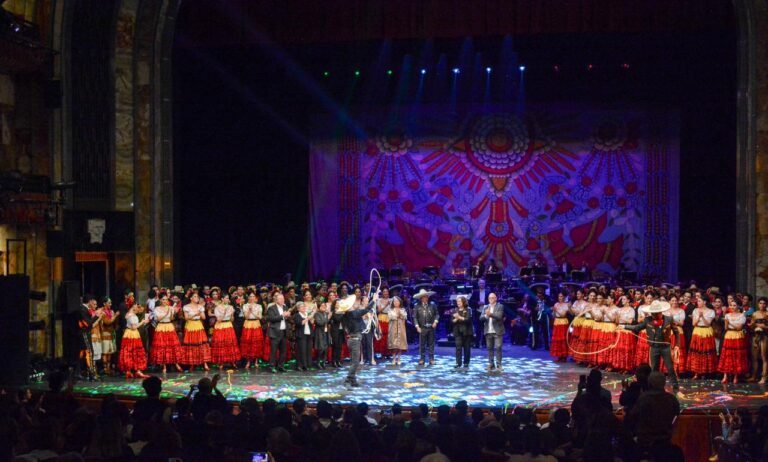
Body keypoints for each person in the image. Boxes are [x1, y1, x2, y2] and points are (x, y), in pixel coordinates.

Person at [620, 300, 681, 391]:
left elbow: (676, 332)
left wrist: (677, 345)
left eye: (656, 313)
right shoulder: (648, 320)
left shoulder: (669, 319)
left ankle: (675, 387)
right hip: (654, 347)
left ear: (660, 312)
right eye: (653, 313)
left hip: (666, 347)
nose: (654, 315)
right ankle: (653, 387)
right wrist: (624, 327)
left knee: (670, 368)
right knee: (653, 369)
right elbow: (637, 327)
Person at [625, 371, 681, 449]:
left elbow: (633, 416)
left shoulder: (644, 398)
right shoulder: (672, 399)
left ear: (649, 383)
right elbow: (676, 416)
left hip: (645, 441)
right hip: (665, 440)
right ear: (664, 383)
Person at [341, 292, 377, 387]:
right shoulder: (353, 313)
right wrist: (373, 300)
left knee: (354, 361)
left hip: (352, 339)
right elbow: (366, 309)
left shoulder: (346, 315)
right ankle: (348, 380)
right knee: (355, 362)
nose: (355, 304)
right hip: (355, 340)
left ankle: (353, 380)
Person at [149, 293, 183, 373]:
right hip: (161, 327)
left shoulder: (170, 308)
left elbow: (171, 318)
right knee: (162, 346)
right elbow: (158, 319)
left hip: (169, 326)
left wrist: (172, 312)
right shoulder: (157, 308)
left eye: (166, 299)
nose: (165, 301)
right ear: (160, 300)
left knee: (172, 346)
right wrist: (167, 312)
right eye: (163, 299)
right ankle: (163, 365)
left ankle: (176, 363)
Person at [687, 295, 717, 379]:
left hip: (706, 331)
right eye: (698, 301)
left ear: (705, 302)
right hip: (697, 331)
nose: (698, 303)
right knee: (697, 352)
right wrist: (699, 317)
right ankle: (696, 372)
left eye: (699, 301)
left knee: (706, 351)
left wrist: (702, 316)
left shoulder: (711, 311)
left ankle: (706, 372)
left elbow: (708, 323)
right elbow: (693, 323)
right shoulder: (695, 310)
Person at [718, 302, 749, 384]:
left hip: (737, 335)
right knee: (727, 354)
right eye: (731, 305)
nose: (732, 307)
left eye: (734, 305)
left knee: (736, 355)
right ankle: (725, 376)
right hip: (729, 335)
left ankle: (736, 376)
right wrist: (726, 321)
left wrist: (730, 322)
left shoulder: (741, 315)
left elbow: (739, 328)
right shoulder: (727, 315)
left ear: (738, 306)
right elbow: (726, 327)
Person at [118, 303, 150, 378]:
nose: (138, 309)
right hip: (132, 334)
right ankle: (135, 370)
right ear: (133, 307)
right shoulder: (131, 315)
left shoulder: (129, 314)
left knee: (130, 351)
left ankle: (129, 371)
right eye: (136, 307)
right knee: (135, 351)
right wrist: (142, 322)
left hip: (128, 334)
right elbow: (134, 327)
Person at [181, 293, 211, 371]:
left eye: (197, 296)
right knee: (192, 345)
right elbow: (186, 318)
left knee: (201, 344)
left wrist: (200, 312)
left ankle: (205, 363)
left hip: (198, 325)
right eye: (195, 296)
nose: (197, 298)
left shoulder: (200, 307)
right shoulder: (186, 307)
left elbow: (204, 317)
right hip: (190, 325)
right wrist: (195, 313)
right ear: (191, 298)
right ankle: (192, 363)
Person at [211, 293, 241, 369]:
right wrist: (224, 312)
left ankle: (232, 361)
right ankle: (221, 362)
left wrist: (231, 314)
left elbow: (232, 319)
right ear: (222, 299)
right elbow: (219, 319)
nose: (228, 300)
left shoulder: (231, 307)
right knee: (221, 344)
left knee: (230, 343)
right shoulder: (217, 307)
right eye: (226, 298)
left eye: (228, 298)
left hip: (228, 325)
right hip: (220, 326)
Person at [77, 294, 103, 380]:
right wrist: (96, 316)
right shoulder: (82, 309)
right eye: (92, 301)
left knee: (85, 353)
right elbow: (88, 323)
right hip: (84, 333)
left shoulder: (84, 309)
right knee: (89, 352)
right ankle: (91, 373)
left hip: (85, 333)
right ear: (89, 301)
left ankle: (87, 373)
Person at [266, 293, 291, 373]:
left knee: (283, 350)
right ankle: (271, 366)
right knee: (274, 350)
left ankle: (281, 366)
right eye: (280, 298)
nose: (282, 300)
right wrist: (282, 316)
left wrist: (288, 316)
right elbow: (271, 318)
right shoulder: (271, 308)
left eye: (283, 298)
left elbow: (287, 319)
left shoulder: (285, 307)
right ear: (276, 300)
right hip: (275, 332)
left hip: (283, 331)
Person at [480, 292, 505, 372]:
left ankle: (499, 364)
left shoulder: (500, 306)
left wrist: (490, 314)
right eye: (490, 298)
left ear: (496, 298)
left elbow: (499, 316)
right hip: (488, 330)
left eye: (493, 297)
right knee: (489, 348)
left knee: (498, 347)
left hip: (497, 331)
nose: (491, 299)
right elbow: (481, 318)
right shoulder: (485, 307)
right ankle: (491, 364)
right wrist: (486, 315)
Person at [413, 288, 438, 366]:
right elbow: (415, 317)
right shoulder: (417, 306)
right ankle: (422, 359)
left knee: (431, 344)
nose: (425, 298)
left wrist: (435, 322)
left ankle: (431, 359)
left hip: (431, 327)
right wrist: (417, 326)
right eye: (423, 297)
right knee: (422, 344)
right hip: (422, 328)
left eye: (426, 296)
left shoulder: (432, 305)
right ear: (421, 298)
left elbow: (437, 314)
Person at [240, 292, 264, 369]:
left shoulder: (259, 306)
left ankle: (256, 361)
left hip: (256, 324)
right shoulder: (245, 306)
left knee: (256, 342)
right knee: (248, 342)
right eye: (250, 296)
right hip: (248, 324)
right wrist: (249, 310)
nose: (252, 298)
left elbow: (260, 317)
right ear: (248, 298)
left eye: (253, 296)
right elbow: (246, 317)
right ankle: (248, 361)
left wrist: (253, 311)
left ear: (255, 298)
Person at [748, 297, 768, 383]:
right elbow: (752, 327)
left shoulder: (767, 314)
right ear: (758, 304)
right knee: (754, 357)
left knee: (764, 357)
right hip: (755, 336)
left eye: (764, 303)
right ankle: (754, 376)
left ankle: (764, 377)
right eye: (760, 303)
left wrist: (764, 326)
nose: (762, 305)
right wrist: (752, 325)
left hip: (764, 336)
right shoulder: (755, 314)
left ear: (766, 304)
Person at [451, 295, 474, 368]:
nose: (458, 303)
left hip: (467, 332)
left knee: (467, 348)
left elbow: (468, 320)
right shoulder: (455, 310)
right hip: (458, 332)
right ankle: (458, 363)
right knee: (458, 348)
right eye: (457, 301)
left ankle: (466, 363)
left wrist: (459, 317)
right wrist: (455, 319)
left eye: (460, 301)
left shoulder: (468, 309)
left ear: (463, 302)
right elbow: (452, 321)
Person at [99, 296, 119, 376]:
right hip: (105, 334)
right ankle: (105, 368)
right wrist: (115, 316)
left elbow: (114, 323)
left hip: (111, 334)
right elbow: (108, 322)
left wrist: (115, 317)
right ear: (104, 303)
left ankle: (108, 367)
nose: (110, 304)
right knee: (105, 352)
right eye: (109, 302)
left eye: (110, 303)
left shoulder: (111, 311)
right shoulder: (102, 312)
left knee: (110, 352)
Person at [293, 299, 314, 371]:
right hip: (301, 335)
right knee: (301, 350)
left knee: (308, 350)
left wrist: (311, 319)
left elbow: (311, 323)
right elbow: (299, 323)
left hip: (308, 334)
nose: (304, 308)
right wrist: (307, 318)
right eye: (302, 307)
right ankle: (299, 365)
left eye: (304, 307)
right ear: (298, 308)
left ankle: (306, 365)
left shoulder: (306, 314)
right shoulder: (297, 315)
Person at [387, 296, 408, 366]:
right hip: (393, 328)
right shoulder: (390, 310)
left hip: (401, 328)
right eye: (394, 301)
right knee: (394, 344)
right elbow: (391, 317)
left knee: (400, 344)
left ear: (400, 302)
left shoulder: (402, 309)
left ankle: (399, 358)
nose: (396, 302)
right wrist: (398, 315)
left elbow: (404, 317)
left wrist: (400, 314)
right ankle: (393, 358)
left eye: (397, 301)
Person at [550, 292, 570, 362]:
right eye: (559, 296)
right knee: (557, 340)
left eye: (561, 296)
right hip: (557, 322)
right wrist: (553, 312)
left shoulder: (566, 304)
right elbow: (554, 315)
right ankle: (559, 355)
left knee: (563, 339)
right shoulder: (556, 304)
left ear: (564, 297)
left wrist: (556, 310)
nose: (560, 298)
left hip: (563, 322)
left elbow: (562, 314)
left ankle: (564, 356)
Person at [375, 287, 392, 360]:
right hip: (381, 317)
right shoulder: (379, 300)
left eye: (387, 291)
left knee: (388, 336)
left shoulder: (391, 300)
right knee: (381, 335)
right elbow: (378, 310)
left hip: (389, 318)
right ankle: (382, 352)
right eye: (384, 291)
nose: (385, 293)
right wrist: (386, 305)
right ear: (382, 293)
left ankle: (388, 353)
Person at [313, 298, 330, 369]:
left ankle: (323, 362)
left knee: (326, 348)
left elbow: (328, 322)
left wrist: (328, 319)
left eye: (324, 306)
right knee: (321, 348)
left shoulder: (326, 314)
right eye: (322, 306)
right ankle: (318, 362)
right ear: (319, 307)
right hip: (319, 333)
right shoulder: (317, 314)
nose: (324, 307)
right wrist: (327, 319)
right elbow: (319, 323)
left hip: (326, 332)